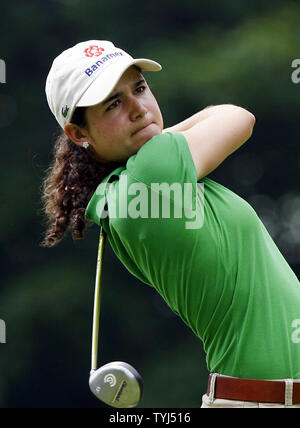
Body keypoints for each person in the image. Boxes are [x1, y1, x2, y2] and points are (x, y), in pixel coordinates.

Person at [42, 40, 300, 408]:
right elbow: (238, 116)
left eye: (140, 89)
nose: (139, 110)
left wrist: (150, 141)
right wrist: (158, 140)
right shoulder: (154, 170)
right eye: (113, 104)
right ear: (78, 134)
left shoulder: (121, 192)